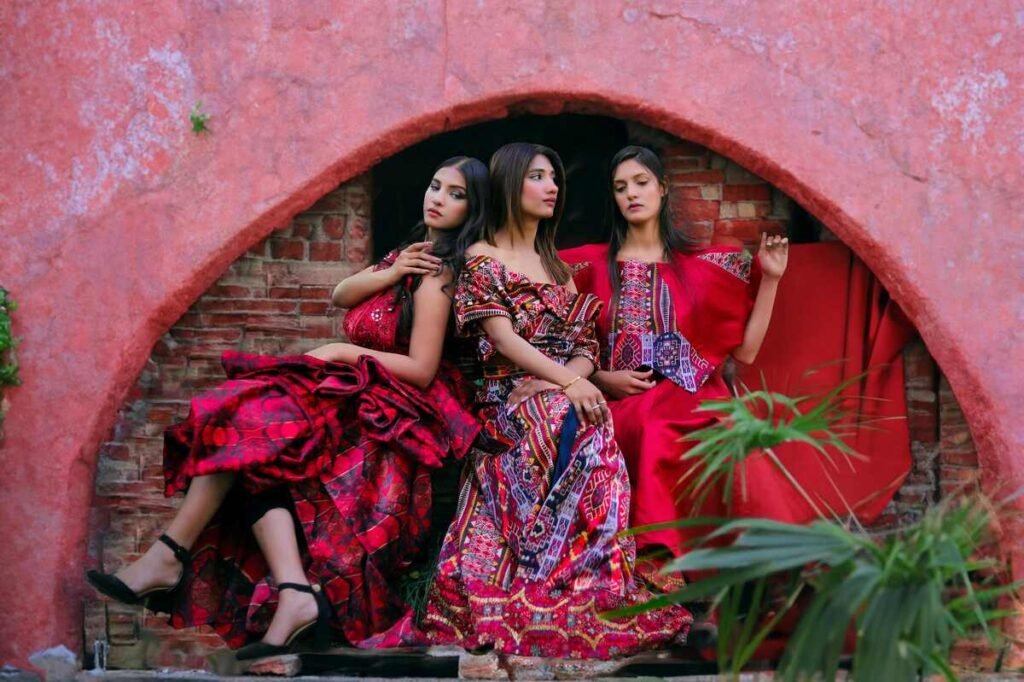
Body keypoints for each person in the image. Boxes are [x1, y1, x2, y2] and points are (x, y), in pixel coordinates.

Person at [85, 157, 487, 659]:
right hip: (355, 389)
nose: (437, 197)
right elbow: (342, 294)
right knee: (246, 434)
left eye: (455, 193)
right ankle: (288, 592)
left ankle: (171, 557)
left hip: (392, 404)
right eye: (434, 184)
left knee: (247, 421)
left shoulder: (441, 274)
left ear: (473, 211)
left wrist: (341, 353)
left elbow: (423, 368)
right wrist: (394, 267)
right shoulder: (410, 258)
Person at [422, 143, 691, 660]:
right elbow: (502, 340)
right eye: (539, 177)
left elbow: (588, 345)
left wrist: (568, 380)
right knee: (571, 412)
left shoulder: (561, 268)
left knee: (589, 417)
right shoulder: (481, 258)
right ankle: (541, 576)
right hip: (506, 398)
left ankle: (588, 580)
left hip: (558, 391)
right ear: (510, 184)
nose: (552, 188)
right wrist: (565, 384)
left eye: (554, 179)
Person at [553, 145, 789, 570]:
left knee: (728, 434)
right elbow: (559, 340)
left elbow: (747, 351)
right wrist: (602, 379)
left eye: (641, 183)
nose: (631, 194)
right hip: (620, 404)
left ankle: (750, 571)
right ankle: (657, 567)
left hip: (694, 398)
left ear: (663, 188)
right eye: (620, 187)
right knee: (651, 425)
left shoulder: (705, 268)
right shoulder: (586, 267)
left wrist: (770, 278)